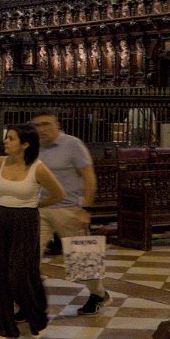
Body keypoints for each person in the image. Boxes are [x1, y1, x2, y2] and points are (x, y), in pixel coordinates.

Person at [0, 124, 64, 339]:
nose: (6, 141)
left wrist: (36, 205)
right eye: (6, 137)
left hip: (25, 220)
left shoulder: (38, 168)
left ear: (25, 144)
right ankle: (3, 328)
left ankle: (37, 317)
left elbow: (58, 194)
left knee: (20, 275)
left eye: (11, 138)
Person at [31, 111, 109, 316]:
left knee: (82, 258)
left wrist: (86, 209)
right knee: (30, 256)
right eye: (37, 125)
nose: (41, 129)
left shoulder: (72, 144)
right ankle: (30, 301)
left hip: (70, 208)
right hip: (41, 208)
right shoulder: (33, 146)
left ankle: (98, 294)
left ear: (57, 125)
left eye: (46, 124)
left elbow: (89, 177)